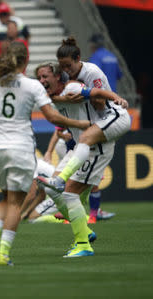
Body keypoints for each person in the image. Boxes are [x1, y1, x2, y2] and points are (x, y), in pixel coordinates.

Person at [0, 42, 91, 265]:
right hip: (21, 148)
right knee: (15, 203)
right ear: (24, 62)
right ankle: (3, 252)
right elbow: (52, 117)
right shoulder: (32, 86)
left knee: (4, 198)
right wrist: (78, 122)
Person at [35, 53, 129, 257]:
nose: (42, 81)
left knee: (68, 193)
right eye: (39, 78)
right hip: (80, 147)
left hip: (95, 148)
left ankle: (83, 244)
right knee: (53, 190)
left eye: (45, 76)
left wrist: (115, 98)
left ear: (58, 77)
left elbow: (97, 92)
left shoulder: (72, 88)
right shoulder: (53, 98)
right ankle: (84, 231)